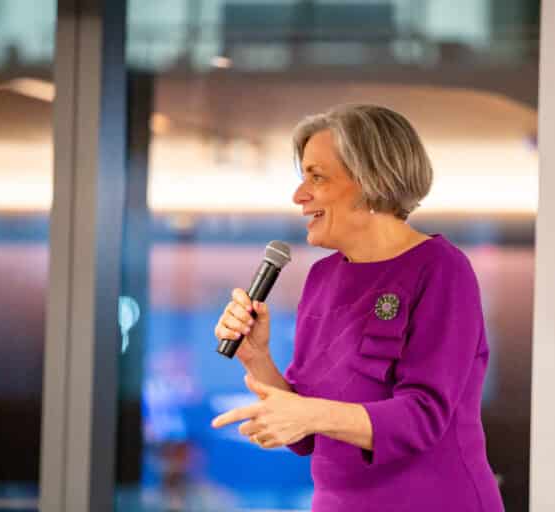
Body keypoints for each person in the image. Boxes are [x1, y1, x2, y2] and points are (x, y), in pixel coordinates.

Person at [211, 104, 504, 511]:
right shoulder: (322, 277)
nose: (299, 195)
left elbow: (423, 417)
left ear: (371, 181)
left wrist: (309, 414)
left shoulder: (441, 269)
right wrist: (256, 356)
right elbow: (305, 434)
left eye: (317, 177)